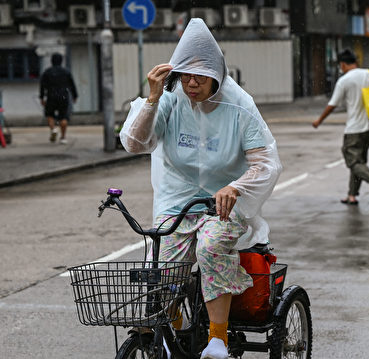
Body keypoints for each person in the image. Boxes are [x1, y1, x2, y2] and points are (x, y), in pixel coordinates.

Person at [120, 18, 282, 359]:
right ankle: (179, 333)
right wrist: (151, 98)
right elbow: (135, 143)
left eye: (200, 76)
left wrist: (235, 187)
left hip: (224, 202)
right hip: (176, 200)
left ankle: (218, 340)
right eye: (185, 75)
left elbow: (266, 163)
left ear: (217, 76)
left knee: (211, 248)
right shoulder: (170, 97)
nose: (191, 83)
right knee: (161, 269)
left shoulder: (239, 104)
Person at [312, 49, 369, 206]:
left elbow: (332, 105)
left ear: (344, 64)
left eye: (341, 65)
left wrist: (319, 120)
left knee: (353, 162)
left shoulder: (344, 80)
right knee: (359, 162)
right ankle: (352, 195)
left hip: (354, 129)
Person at [39, 53, 78, 144]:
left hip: (51, 96)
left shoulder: (47, 72)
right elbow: (72, 85)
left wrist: (41, 97)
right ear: (61, 61)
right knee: (64, 116)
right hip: (63, 96)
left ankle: (53, 129)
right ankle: (63, 137)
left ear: (51, 61)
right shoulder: (66, 72)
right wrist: (75, 96)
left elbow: (42, 86)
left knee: (49, 114)